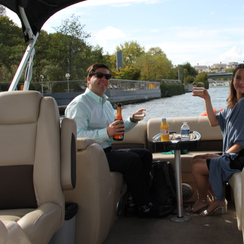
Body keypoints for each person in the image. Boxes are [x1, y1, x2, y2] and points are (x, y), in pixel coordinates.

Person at [65, 63, 167, 218]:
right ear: (88, 79)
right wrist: (106, 132)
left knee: (144, 154)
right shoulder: (80, 104)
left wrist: (132, 119)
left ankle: (134, 202)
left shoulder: (105, 103)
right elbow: (76, 136)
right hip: (89, 157)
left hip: (105, 152)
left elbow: (116, 128)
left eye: (107, 76)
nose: (104, 79)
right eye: (99, 75)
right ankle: (145, 206)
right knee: (131, 160)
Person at [189, 64, 244, 216]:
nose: (241, 82)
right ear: (233, 80)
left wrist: (223, 156)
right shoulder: (234, 103)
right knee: (197, 158)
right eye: (238, 77)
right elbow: (213, 121)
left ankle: (208, 200)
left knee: (198, 166)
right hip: (237, 153)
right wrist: (207, 98)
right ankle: (214, 200)